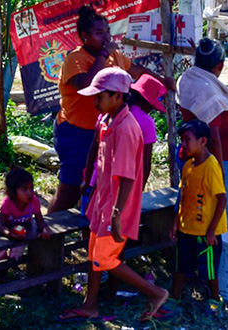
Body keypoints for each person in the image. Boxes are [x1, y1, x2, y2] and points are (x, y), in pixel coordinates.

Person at [58, 67, 170, 323]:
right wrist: (89, 184)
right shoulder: (106, 120)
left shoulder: (128, 128)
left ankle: (155, 292)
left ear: (119, 96)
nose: (95, 101)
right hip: (102, 199)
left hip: (118, 205)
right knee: (95, 253)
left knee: (106, 258)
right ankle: (90, 304)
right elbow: (98, 157)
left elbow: (129, 175)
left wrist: (117, 214)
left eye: (100, 96)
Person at [49, 5, 174, 214]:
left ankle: (86, 228)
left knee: (95, 183)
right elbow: (86, 85)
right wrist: (105, 53)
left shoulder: (114, 56)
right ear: (84, 36)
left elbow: (136, 70)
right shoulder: (75, 59)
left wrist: (163, 80)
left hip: (102, 129)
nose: (106, 37)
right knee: (69, 188)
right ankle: (49, 234)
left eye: (107, 32)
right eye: (99, 33)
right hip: (75, 131)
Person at [177, 38, 228, 230]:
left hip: (208, 156)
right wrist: (220, 171)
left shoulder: (190, 78)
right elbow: (214, 138)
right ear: (220, 65)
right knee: (221, 208)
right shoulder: (206, 91)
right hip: (218, 159)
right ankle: (221, 250)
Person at [170, 120, 227, 316]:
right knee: (180, 264)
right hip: (187, 227)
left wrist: (212, 230)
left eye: (187, 140)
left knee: (209, 269)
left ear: (203, 141)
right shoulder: (187, 166)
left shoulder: (211, 166)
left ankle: (214, 299)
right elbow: (183, 197)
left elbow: (222, 200)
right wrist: (176, 223)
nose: (183, 144)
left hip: (206, 232)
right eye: (182, 140)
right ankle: (173, 296)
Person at [0, 168, 51, 260]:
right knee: (0, 250)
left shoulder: (34, 201)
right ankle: (1, 269)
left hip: (22, 230)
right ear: (13, 193)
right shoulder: (8, 204)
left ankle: (13, 262)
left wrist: (45, 229)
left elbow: (39, 220)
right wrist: (8, 234)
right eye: (25, 189)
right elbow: (0, 224)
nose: (30, 192)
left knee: (18, 250)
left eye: (31, 188)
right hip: (5, 228)